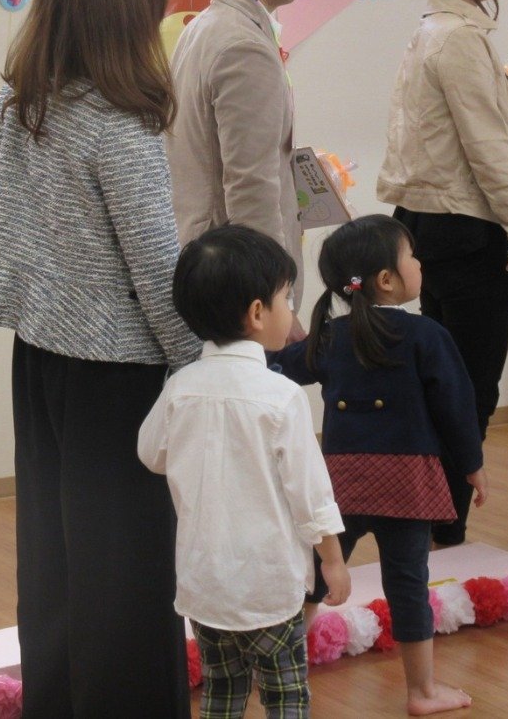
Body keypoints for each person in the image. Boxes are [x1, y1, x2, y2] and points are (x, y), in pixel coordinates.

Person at [0, 0, 200, 719]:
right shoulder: (117, 120)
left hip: (41, 355)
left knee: (57, 562)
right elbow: (156, 268)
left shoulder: (23, 99)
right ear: (129, 4)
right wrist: (201, 363)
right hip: (118, 372)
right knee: (129, 575)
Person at [375, 0, 508, 545]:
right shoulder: (457, 38)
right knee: (468, 389)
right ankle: (444, 533)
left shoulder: (437, 31)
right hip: (463, 233)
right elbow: (488, 153)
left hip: (431, 228)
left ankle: (434, 529)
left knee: (448, 383)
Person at [274, 214, 485, 715]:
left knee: (315, 576)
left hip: (341, 483)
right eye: (412, 256)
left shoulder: (330, 337)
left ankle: (278, 673)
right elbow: (457, 407)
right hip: (407, 483)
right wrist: (472, 465)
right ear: (387, 279)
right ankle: (422, 692)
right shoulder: (426, 334)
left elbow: (279, 367)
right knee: (408, 583)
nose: (420, 263)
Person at [138, 225, 350, 719]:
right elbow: (311, 496)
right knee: (286, 695)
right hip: (268, 585)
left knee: (222, 690)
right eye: (286, 298)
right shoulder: (282, 397)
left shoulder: (181, 387)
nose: (290, 310)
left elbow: (150, 453)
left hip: (205, 585)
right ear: (257, 313)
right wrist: (334, 562)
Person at [167, 0, 311, 331]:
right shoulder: (243, 45)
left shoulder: (206, 27)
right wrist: (274, 299)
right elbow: (251, 185)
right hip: (238, 289)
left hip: (211, 269)